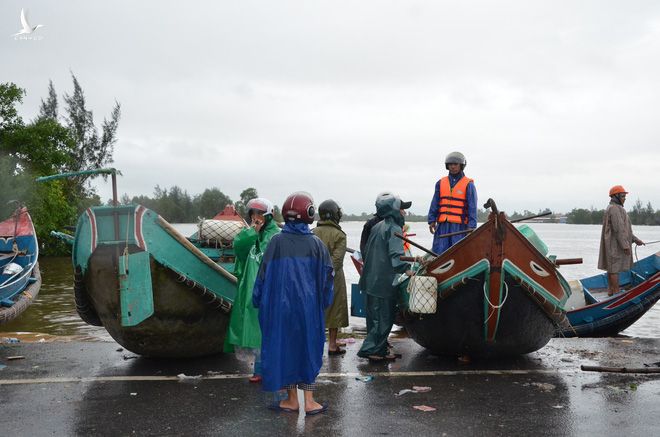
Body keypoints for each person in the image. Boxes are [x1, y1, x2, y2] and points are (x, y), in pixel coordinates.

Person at [253, 191, 334, 416]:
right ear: (309, 213)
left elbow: (262, 275)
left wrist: (257, 300)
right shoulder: (317, 245)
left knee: (285, 349)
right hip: (308, 310)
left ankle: (291, 400)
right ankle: (309, 401)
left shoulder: (275, 242)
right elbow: (328, 279)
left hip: (280, 309)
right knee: (308, 350)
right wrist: (324, 303)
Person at [224, 198, 279, 383]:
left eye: (259, 214)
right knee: (255, 329)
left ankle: (272, 370)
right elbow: (238, 249)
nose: (256, 218)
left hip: (270, 289)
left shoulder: (276, 236)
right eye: (253, 214)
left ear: (268, 216)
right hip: (251, 290)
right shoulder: (249, 234)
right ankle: (259, 370)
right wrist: (252, 232)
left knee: (270, 329)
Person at [357, 193, 412, 362]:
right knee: (384, 319)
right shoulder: (394, 228)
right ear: (394, 210)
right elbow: (397, 257)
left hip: (370, 280)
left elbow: (366, 251)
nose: (404, 212)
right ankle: (373, 351)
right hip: (383, 282)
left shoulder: (377, 226)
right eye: (402, 209)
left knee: (374, 319)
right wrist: (408, 270)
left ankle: (377, 349)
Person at [313, 199, 349, 356]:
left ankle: (314, 343)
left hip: (313, 276)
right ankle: (332, 345)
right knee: (334, 310)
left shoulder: (312, 233)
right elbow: (337, 260)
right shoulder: (339, 235)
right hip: (334, 277)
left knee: (315, 310)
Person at [598, 185, 645, 296]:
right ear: (616, 196)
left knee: (612, 268)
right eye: (623, 196)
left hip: (614, 243)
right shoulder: (614, 209)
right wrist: (625, 246)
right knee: (614, 268)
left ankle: (611, 291)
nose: (624, 198)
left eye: (625, 196)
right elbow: (618, 229)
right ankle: (616, 292)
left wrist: (635, 239)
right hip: (615, 244)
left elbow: (625, 230)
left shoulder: (616, 208)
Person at [427, 151, 478, 254]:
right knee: (439, 252)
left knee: (458, 252)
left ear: (461, 165)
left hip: (459, 227)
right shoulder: (440, 183)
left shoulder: (469, 185)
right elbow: (435, 203)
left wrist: (471, 227)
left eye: (456, 164)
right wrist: (431, 220)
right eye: (450, 164)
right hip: (442, 226)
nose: (453, 167)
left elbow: (472, 207)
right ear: (447, 166)